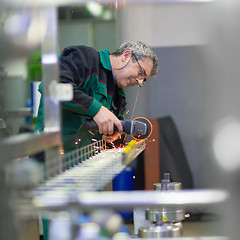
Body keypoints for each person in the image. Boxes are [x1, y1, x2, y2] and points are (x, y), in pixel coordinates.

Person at [35, 41, 159, 153]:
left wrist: (111, 136)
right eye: (141, 73)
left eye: (144, 79)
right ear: (126, 56)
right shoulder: (86, 59)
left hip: (81, 166)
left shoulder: (119, 97)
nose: (140, 82)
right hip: (49, 158)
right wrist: (97, 110)